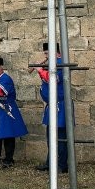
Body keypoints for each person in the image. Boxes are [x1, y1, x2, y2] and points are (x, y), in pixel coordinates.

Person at [30, 43, 69, 173]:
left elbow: (53, 79)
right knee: (50, 136)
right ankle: (50, 162)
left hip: (61, 105)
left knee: (61, 136)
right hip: (51, 105)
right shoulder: (51, 63)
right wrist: (42, 64)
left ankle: (62, 165)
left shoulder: (60, 63)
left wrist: (40, 70)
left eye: (47, 54)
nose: (45, 56)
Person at [0, 57, 28, 168]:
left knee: (8, 135)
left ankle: (9, 160)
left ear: (0, 67)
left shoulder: (6, 79)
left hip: (6, 108)